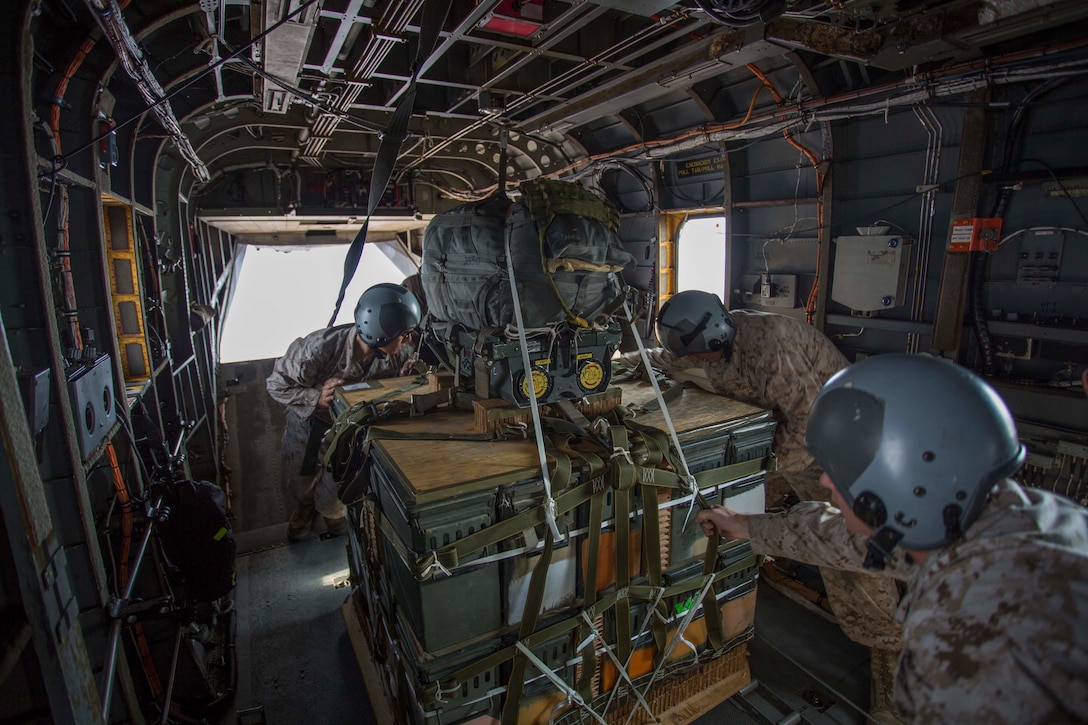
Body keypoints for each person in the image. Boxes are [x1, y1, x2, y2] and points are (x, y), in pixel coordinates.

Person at [696, 354, 1088, 723]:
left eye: (839, 470)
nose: (826, 480)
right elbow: (843, 538)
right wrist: (747, 526)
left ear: (898, 481)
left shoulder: (967, 629)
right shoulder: (984, 514)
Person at [619, 290, 904, 720]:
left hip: (842, 453)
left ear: (719, 338)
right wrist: (614, 366)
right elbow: (667, 359)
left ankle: (892, 682)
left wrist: (759, 473)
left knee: (855, 565)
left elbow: (808, 424)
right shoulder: (703, 344)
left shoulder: (773, 347)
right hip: (788, 450)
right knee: (747, 515)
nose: (700, 364)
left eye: (704, 357)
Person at [267, 282, 421, 541]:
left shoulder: (399, 353)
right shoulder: (317, 350)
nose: (408, 340)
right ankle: (304, 511)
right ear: (379, 333)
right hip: (310, 425)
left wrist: (404, 378)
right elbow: (276, 384)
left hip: (351, 430)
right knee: (301, 479)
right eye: (403, 334)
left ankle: (332, 515)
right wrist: (316, 397)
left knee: (339, 484)